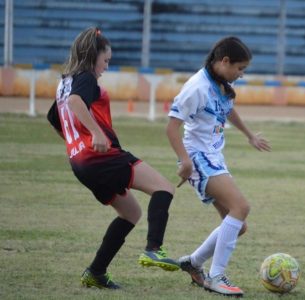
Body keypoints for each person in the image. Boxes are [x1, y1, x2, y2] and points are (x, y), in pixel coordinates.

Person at [47, 27, 180, 289]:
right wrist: (95, 133)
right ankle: (154, 249)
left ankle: (96, 272)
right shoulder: (84, 77)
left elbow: (54, 118)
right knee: (164, 188)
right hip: (100, 158)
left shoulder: (65, 81)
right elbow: (76, 102)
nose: (106, 66)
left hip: (80, 163)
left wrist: (76, 143)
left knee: (131, 213)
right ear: (92, 55)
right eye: (105, 60)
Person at [166, 36, 271, 297]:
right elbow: (171, 127)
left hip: (213, 157)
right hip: (198, 157)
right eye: (240, 68)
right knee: (241, 207)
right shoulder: (196, 87)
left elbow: (227, 110)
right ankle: (215, 277)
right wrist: (185, 160)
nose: (242, 74)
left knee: (238, 225)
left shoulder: (221, 83)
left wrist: (249, 135)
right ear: (224, 61)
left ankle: (193, 262)